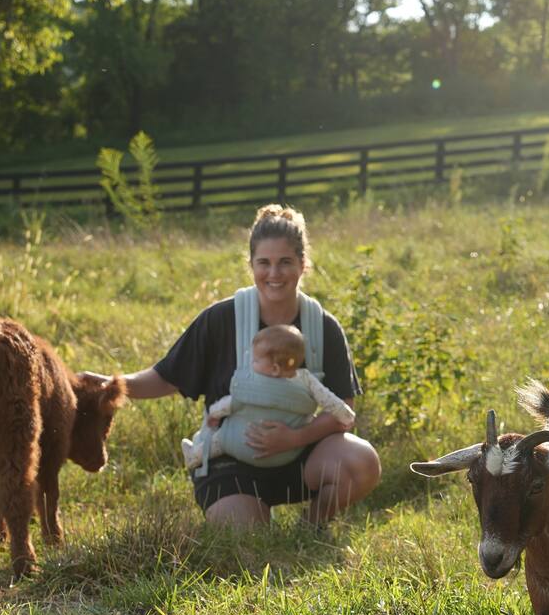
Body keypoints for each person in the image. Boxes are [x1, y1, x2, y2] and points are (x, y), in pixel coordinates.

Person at [100, 204, 381, 527]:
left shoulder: (322, 327)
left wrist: (293, 438)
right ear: (251, 265)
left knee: (363, 462)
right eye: (264, 263)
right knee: (248, 538)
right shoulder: (220, 319)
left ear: (303, 265)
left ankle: (312, 525)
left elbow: (343, 408)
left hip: (297, 455)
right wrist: (110, 384)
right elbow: (165, 378)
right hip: (229, 460)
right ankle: (247, 508)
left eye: (285, 262)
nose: (274, 274)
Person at [181, 323, 357, 472]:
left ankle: (194, 457)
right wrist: (346, 416)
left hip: (240, 444)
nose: (252, 363)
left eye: (256, 360)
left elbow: (229, 404)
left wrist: (213, 414)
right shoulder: (307, 380)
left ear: (274, 369)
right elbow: (330, 401)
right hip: (287, 454)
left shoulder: (253, 382)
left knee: (219, 439)